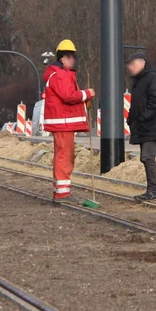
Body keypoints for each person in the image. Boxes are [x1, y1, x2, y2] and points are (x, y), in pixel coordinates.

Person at [42, 39, 94, 201]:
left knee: (62, 155)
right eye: (70, 56)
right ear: (62, 58)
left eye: (74, 56)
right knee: (65, 157)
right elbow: (69, 96)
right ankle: (63, 192)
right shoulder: (61, 75)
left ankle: (60, 190)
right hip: (63, 123)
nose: (73, 59)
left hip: (62, 123)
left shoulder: (56, 74)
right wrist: (87, 94)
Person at [126, 51, 156, 201]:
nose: (130, 67)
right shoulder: (138, 81)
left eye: (133, 64)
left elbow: (155, 102)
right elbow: (136, 103)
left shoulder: (152, 79)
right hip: (143, 126)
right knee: (145, 157)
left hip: (150, 126)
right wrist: (131, 118)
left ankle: (154, 190)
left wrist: (142, 118)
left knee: (147, 157)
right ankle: (152, 190)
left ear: (142, 63)